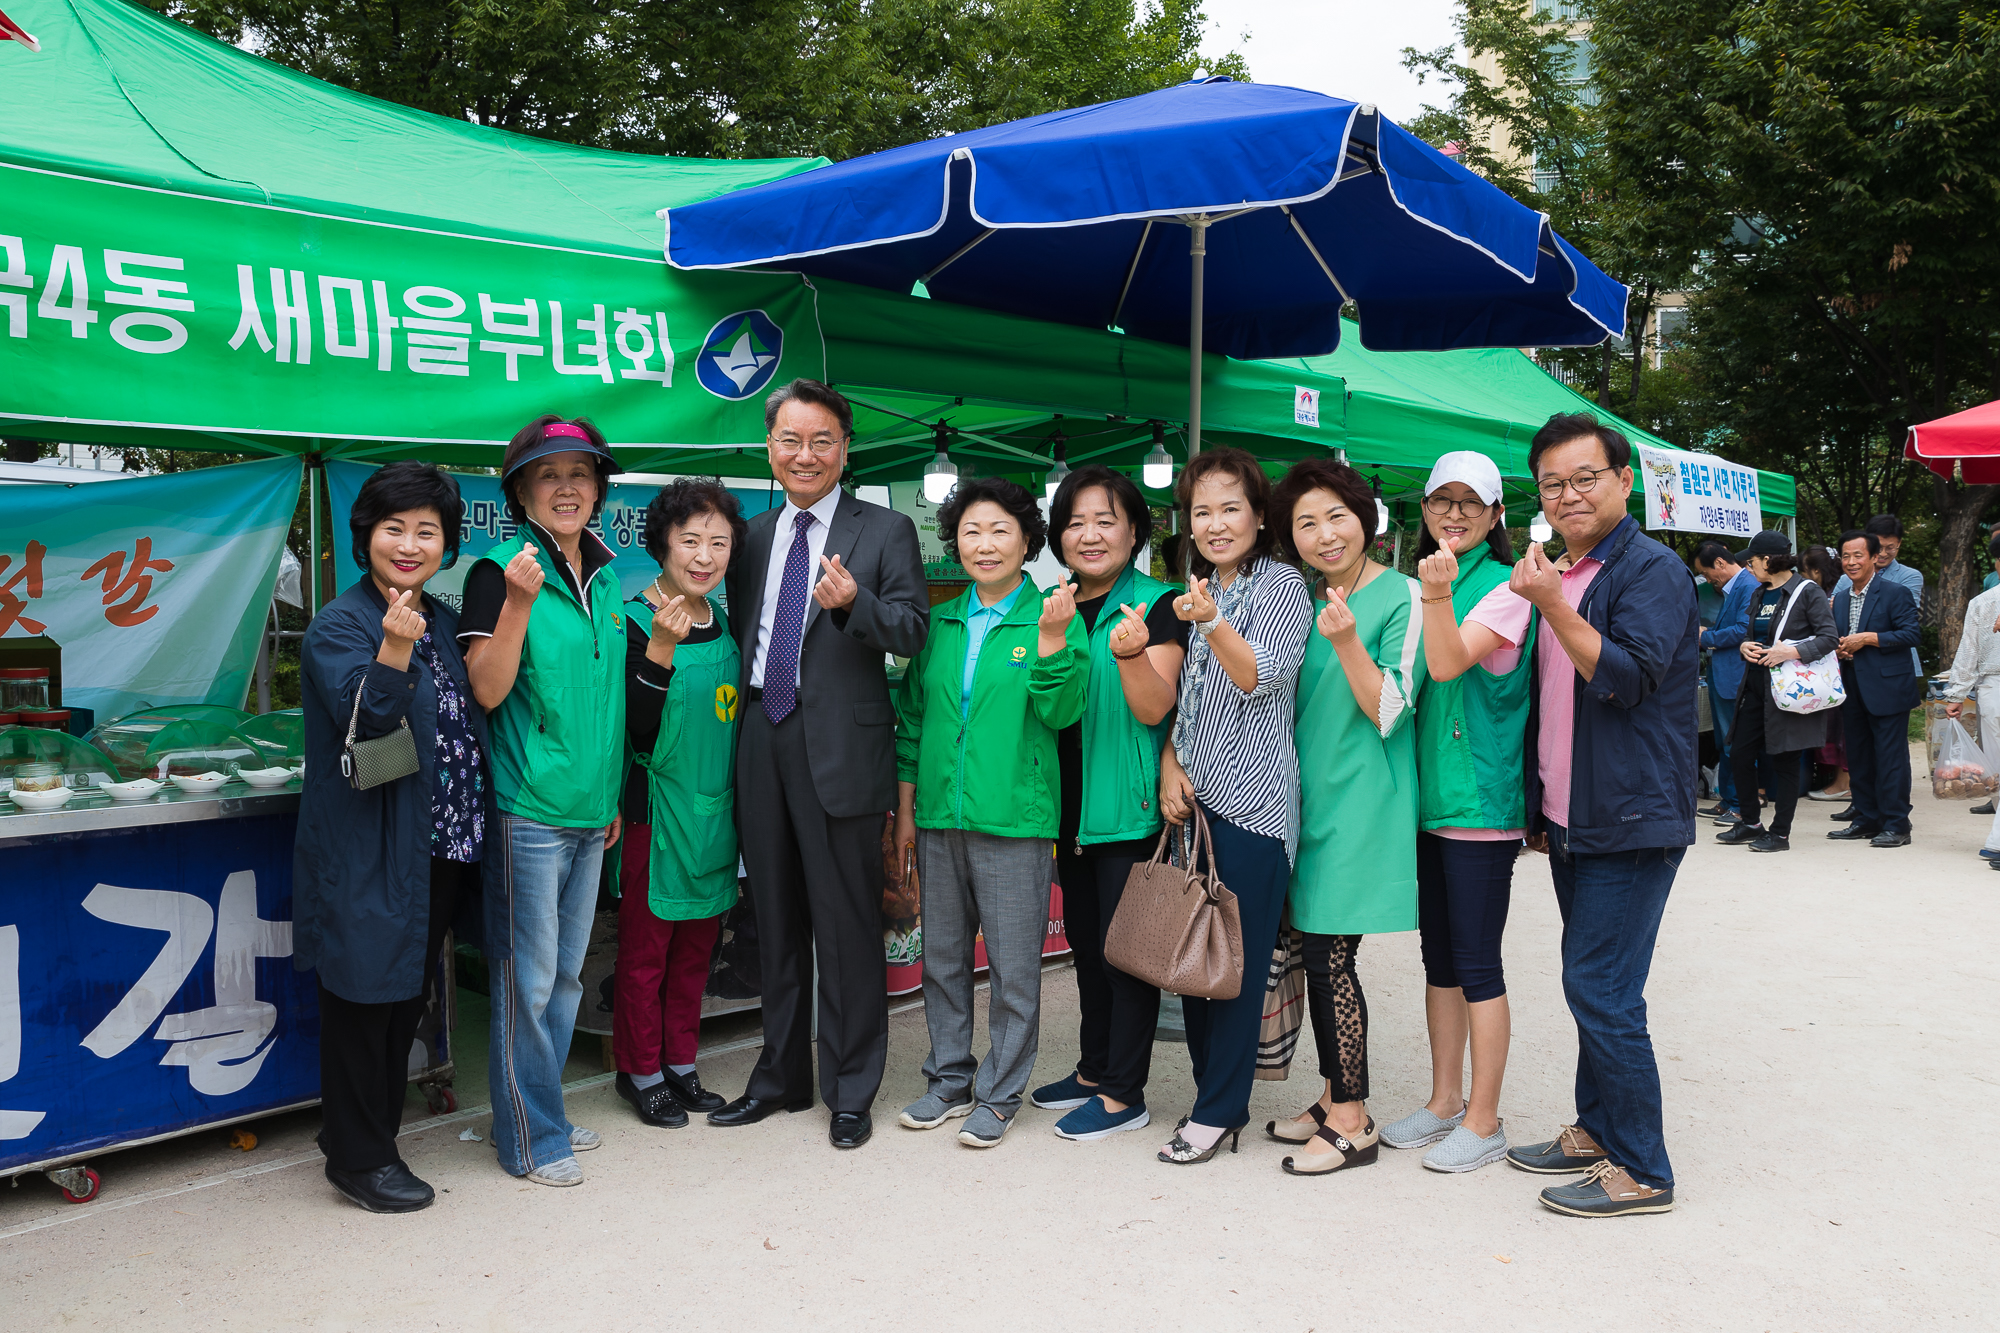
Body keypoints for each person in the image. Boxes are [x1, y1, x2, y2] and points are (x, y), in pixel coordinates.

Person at [1458, 413, 1696, 1218]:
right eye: (1553, 483)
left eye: (1585, 477)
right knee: (1598, 981)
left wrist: (1552, 603)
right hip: (1573, 814)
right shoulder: (1566, 568)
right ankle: (1598, 1127)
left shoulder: (1651, 571)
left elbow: (1627, 678)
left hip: (1631, 816)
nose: (1569, 494)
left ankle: (1645, 1169)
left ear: (1624, 480)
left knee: (1601, 987)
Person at [714, 379, 929, 1150]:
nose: (805, 455)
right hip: (762, 736)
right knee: (773, 920)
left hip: (840, 745)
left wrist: (853, 605)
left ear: (845, 448)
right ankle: (780, 1076)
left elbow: (911, 631)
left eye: (821, 441)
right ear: (769, 448)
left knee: (844, 925)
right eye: (790, 441)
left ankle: (849, 1086)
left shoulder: (887, 530)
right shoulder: (755, 533)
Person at [296, 461, 487, 1214]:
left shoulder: (439, 616)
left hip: (435, 845)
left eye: (427, 531)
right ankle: (360, 1158)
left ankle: (356, 1133)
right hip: (371, 841)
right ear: (365, 536)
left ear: (446, 544)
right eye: (393, 528)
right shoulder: (341, 624)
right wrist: (394, 651)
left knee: (402, 996)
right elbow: (365, 719)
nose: (408, 544)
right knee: (361, 997)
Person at [892, 478, 1086, 1148]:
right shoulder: (941, 622)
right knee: (942, 959)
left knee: (1011, 968)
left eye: (1000, 529)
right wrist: (907, 811)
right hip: (941, 816)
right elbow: (913, 720)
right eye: (971, 531)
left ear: (1027, 540)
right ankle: (948, 1077)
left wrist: (1055, 640)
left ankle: (1000, 1093)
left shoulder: (1053, 615)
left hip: (1016, 818)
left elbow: (1063, 713)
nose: (984, 543)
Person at [460, 416, 626, 1188]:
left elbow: (608, 697)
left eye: (580, 474)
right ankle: (527, 1136)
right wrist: (520, 603)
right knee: (526, 981)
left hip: (590, 810)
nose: (567, 487)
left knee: (563, 978)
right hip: (526, 809)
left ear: (597, 489)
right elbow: (486, 690)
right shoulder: (497, 571)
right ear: (522, 491)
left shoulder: (608, 574)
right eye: (548, 474)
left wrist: (612, 792)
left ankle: (541, 1107)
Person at [1264, 458, 1426, 1177]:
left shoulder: (1403, 595)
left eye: (1336, 516)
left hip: (1363, 800)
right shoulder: (1301, 594)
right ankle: (1333, 1098)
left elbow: (1390, 709)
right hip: (1305, 799)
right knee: (1315, 951)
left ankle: (1354, 1120)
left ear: (1367, 518)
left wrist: (1345, 639)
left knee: (1331, 958)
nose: (1324, 533)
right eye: (1305, 522)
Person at [1153, 447, 1312, 1165]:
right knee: (1191, 960)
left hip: (1253, 804)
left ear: (1258, 514)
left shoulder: (1282, 585)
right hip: (1197, 800)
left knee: (1237, 968)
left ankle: (1218, 1109)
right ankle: (1213, 1098)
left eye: (1230, 508)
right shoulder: (1198, 584)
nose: (1215, 523)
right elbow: (1194, 699)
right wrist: (1169, 763)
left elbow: (1258, 678)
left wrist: (1212, 620)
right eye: (1201, 511)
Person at [1380, 451, 1531, 1174]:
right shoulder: (1421, 586)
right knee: (1437, 958)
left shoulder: (1505, 589)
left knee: (1476, 960)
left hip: (1479, 801)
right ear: (1426, 509)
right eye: (1443, 500)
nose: (1456, 513)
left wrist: (1435, 599)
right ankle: (1444, 1101)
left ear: (1497, 516)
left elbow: (1445, 663)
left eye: (1474, 502)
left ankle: (1484, 1116)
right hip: (1428, 799)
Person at [1029, 466, 1187, 1142]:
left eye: (1105, 519)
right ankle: (1095, 1069)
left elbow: (1157, 705)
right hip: (1067, 809)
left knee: (1128, 955)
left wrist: (1128, 654)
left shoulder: (1159, 603)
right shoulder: (1053, 603)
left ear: (1133, 529)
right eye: (1075, 521)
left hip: (1129, 806)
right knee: (1089, 950)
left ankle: (1126, 1093)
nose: (1089, 534)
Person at [612, 481, 747, 1129]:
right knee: (646, 954)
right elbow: (634, 729)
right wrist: (660, 655)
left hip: (716, 812)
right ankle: (639, 1070)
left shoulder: (724, 618)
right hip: (657, 813)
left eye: (718, 542)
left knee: (697, 949)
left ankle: (682, 1063)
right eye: (690, 540)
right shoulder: (633, 621)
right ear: (661, 543)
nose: (704, 555)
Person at [1711, 532, 1839, 854]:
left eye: (1752, 561)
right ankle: (1751, 823)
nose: (1748, 567)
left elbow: (1828, 639)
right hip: (1754, 685)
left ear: (1767, 560)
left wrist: (1789, 653)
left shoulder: (1807, 593)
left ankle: (1780, 834)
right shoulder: (1758, 592)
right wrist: (1743, 646)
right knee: (1740, 753)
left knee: (1785, 760)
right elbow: (1749, 633)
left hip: (1788, 690)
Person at [1829, 530, 1923, 849]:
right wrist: (1841, 648)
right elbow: (1840, 638)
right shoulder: (1841, 597)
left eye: (1858, 555)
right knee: (1858, 755)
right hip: (1852, 685)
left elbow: (1911, 634)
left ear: (1873, 558)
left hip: (1889, 687)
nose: (1851, 562)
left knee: (1890, 757)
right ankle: (1867, 818)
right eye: (1845, 556)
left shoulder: (1895, 592)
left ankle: (1897, 823)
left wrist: (1868, 638)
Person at [1693, 542, 1758, 825]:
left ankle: (1742, 805)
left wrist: (1705, 637)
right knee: (1725, 742)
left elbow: (1745, 629)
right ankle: (1730, 801)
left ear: (1720, 563)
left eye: (1707, 573)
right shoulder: (1737, 586)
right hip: (1724, 677)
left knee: (1738, 744)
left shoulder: (1748, 585)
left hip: (1736, 676)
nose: (1709, 580)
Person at [1944, 532, 2000, 822]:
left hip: (1993, 691)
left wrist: (1955, 695)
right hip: (1992, 686)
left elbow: (1969, 652)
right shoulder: (1983, 603)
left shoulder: (1983, 602)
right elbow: (1969, 651)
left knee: (1996, 762)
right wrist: (1956, 693)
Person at [1834, 514, 1924, 677]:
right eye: (1878, 547)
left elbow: (1903, 620)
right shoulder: (1845, 579)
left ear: (1899, 544)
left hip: (1890, 668)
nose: (1883, 553)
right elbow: (1831, 615)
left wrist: (1864, 638)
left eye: (1890, 547)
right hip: (1849, 667)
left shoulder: (1910, 577)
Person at [1799, 545, 1851, 802]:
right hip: (1832, 668)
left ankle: (1844, 782)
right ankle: (1837, 779)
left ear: (1817, 571)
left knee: (1838, 726)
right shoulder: (1831, 593)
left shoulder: (1827, 597)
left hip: (1833, 667)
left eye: (1804, 571)